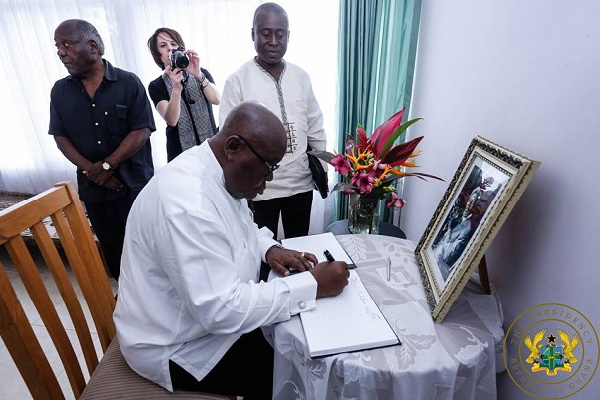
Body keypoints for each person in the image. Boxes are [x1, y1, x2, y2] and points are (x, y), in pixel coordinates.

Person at [113, 101, 349, 399]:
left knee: (299, 338)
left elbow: (238, 224)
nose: (270, 180)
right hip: (177, 345)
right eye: (268, 168)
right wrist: (312, 285)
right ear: (234, 147)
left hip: (200, 321)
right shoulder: (188, 204)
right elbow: (221, 310)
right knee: (295, 373)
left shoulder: (213, 164)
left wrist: (269, 248)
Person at [220, 2, 327, 279]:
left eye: (280, 34)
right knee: (261, 257)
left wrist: (322, 171)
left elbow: (315, 127)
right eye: (265, 33)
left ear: (288, 36)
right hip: (259, 190)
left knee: (298, 251)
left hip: (300, 185)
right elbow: (228, 139)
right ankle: (264, 311)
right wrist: (240, 190)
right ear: (252, 34)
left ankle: (299, 303)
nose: (273, 41)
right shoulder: (238, 81)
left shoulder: (302, 77)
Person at [49, 19, 155, 281]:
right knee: (113, 250)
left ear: (93, 46)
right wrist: (91, 169)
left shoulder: (129, 83)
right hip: (95, 190)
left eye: (67, 44)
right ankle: (129, 303)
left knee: (149, 249)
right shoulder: (60, 91)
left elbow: (141, 130)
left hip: (134, 186)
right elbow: (60, 136)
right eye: (57, 46)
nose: (61, 52)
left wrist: (107, 165)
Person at [147, 28, 220, 162]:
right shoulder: (156, 85)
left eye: (173, 44)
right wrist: (176, 89)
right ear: (158, 54)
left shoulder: (201, 72)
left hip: (211, 148)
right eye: (163, 45)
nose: (170, 48)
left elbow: (216, 99)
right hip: (180, 153)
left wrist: (198, 75)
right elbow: (172, 120)